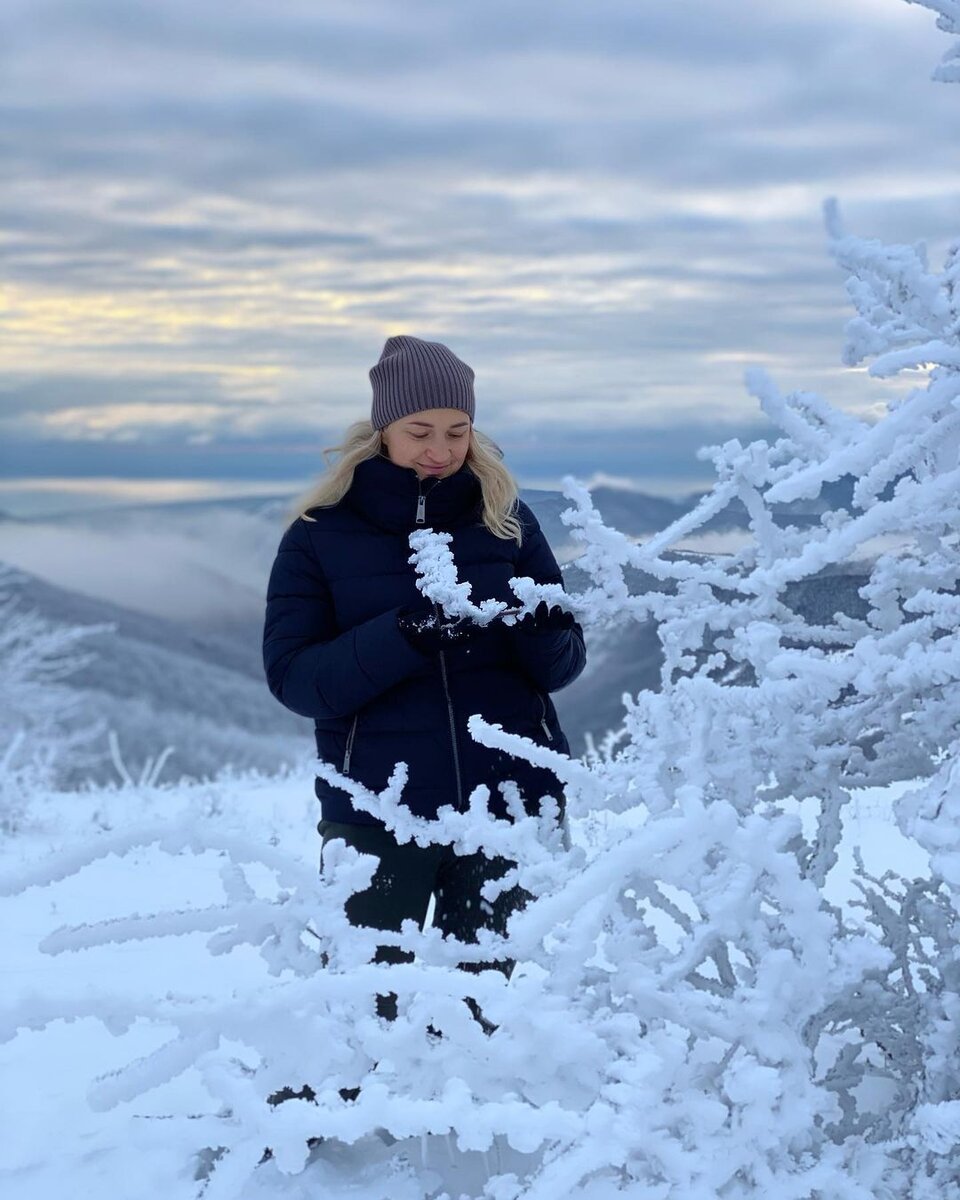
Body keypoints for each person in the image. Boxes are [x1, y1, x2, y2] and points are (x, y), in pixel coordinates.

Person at [262, 334, 586, 1027]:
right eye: (420, 432)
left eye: (457, 431)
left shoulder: (507, 520)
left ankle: (458, 1126)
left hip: (506, 805)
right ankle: (315, 1130)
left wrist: (535, 624)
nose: (439, 449)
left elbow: (561, 667)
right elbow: (295, 680)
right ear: (383, 429)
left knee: (481, 1005)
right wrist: (402, 635)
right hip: (380, 810)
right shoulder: (320, 535)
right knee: (358, 1000)